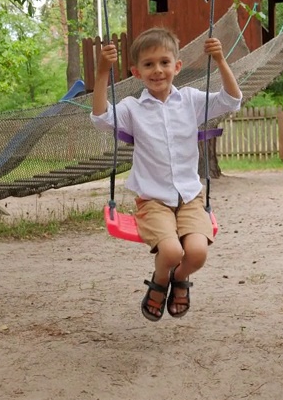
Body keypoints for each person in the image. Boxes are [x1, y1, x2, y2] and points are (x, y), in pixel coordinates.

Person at [90, 28, 242, 321]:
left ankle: (180, 279)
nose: (157, 70)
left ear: (177, 66)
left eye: (164, 62)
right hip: (153, 200)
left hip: (190, 197)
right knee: (171, 253)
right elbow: (100, 118)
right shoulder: (132, 109)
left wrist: (221, 60)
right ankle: (160, 282)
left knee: (196, 254)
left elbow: (231, 100)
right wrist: (102, 72)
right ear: (136, 72)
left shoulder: (191, 100)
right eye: (148, 64)